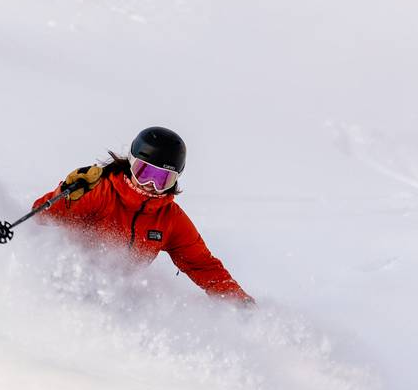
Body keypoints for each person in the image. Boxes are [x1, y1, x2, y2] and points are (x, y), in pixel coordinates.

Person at [33, 126, 253, 303]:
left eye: (162, 179)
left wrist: (238, 301)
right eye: (144, 172)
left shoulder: (170, 218)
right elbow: (41, 217)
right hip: (66, 284)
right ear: (131, 164)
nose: (150, 185)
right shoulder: (102, 192)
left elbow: (202, 265)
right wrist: (66, 193)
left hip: (115, 296)